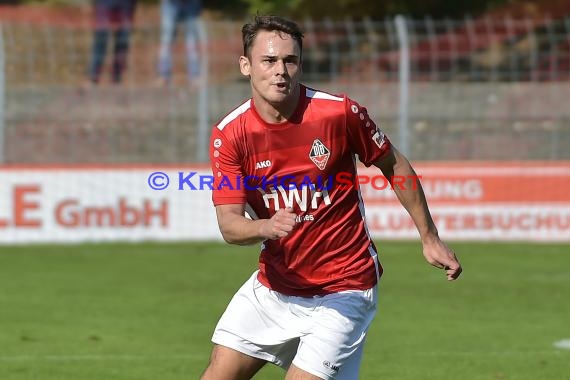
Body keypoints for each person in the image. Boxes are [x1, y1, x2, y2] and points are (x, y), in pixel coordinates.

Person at [203, 15, 462, 380]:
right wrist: (266, 226)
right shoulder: (230, 134)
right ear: (245, 65)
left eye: (289, 61)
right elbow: (229, 225)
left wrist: (429, 236)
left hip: (345, 287)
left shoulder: (338, 113)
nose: (281, 71)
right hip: (275, 286)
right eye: (269, 60)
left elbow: (395, 165)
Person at [156, 0, 205, 86]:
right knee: (167, 38)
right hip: (171, 4)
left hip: (191, 4)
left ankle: (195, 75)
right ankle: (163, 75)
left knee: (192, 40)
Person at [87, 0, 137, 84]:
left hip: (126, 3)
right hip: (104, 2)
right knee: (100, 38)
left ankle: (117, 78)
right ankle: (93, 76)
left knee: (122, 41)